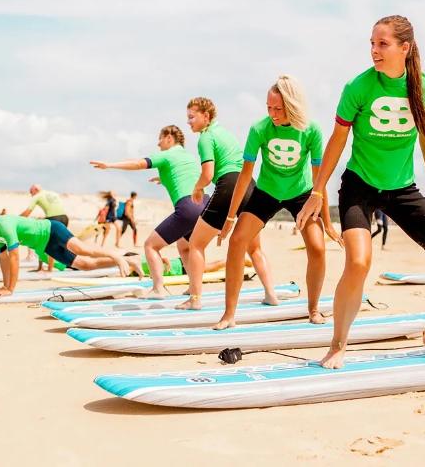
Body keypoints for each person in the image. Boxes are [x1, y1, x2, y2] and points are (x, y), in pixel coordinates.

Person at [296, 15, 425, 369]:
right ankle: (338, 345)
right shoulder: (359, 87)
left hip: (402, 189)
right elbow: (337, 139)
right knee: (358, 262)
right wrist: (318, 190)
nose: (374, 51)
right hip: (359, 187)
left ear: (404, 48)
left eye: (383, 44)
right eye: (372, 44)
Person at [215, 75, 336, 329]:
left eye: (278, 108)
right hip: (267, 192)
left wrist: (328, 222)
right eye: (269, 107)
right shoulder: (259, 129)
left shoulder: (310, 130)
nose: (272, 113)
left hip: (301, 194)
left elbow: (319, 179)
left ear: (292, 105)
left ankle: (314, 309)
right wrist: (230, 217)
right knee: (237, 241)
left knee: (317, 247)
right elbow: (245, 174)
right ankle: (229, 314)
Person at [175, 97, 278, 310]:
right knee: (254, 247)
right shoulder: (225, 133)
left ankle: (194, 299)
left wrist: (197, 188)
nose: (189, 122)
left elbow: (208, 173)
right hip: (249, 184)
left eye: (192, 117)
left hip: (230, 184)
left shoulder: (206, 137)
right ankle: (271, 294)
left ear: (206, 116)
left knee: (195, 243)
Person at [91, 125, 206, 298]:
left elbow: (138, 164)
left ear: (169, 138)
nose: (158, 144)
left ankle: (158, 289)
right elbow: (186, 176)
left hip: (187, 207)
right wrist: (164, 178)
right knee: (184, 246)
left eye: (160, 138)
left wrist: (109, 165)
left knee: (151, 245)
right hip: (205, 205)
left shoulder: (167, 154)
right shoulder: (188, 157)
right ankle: (193, 288)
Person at [0, 210, 142, 296]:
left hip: (52, 230)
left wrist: (10, 289)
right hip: (45, 245)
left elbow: (14, 258)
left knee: (82, 249)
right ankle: (132, 260)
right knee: (85, 265)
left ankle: (117, 255)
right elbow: (3, 259)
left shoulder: (4, 225)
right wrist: (4, 285)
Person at [20, 185, 70, 271]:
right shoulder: (52, 193)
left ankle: (48, 269)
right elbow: (55, 208)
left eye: (31, 192)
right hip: (64, 217)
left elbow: (28, 211)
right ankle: (68, 263)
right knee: (61, 243)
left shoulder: (37, 196)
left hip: (54, 218)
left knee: (46, 242)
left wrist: (17, 219)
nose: (31, 194)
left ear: (35, 190)